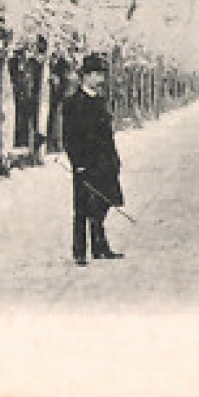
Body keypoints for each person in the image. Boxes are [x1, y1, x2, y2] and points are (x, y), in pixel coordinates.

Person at [61, 56, 125, 263]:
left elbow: (107, 135)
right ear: (85, 76)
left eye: (102, 75)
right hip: (85, 163)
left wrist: (114, 159)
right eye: (96, 75)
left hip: (104, 162)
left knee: (103, 203)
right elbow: (69, 137)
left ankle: (100, 247)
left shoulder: (100, 101)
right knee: (81, 207)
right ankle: (79, 251)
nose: (100, 80)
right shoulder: (72, 103)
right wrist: (77, 163)